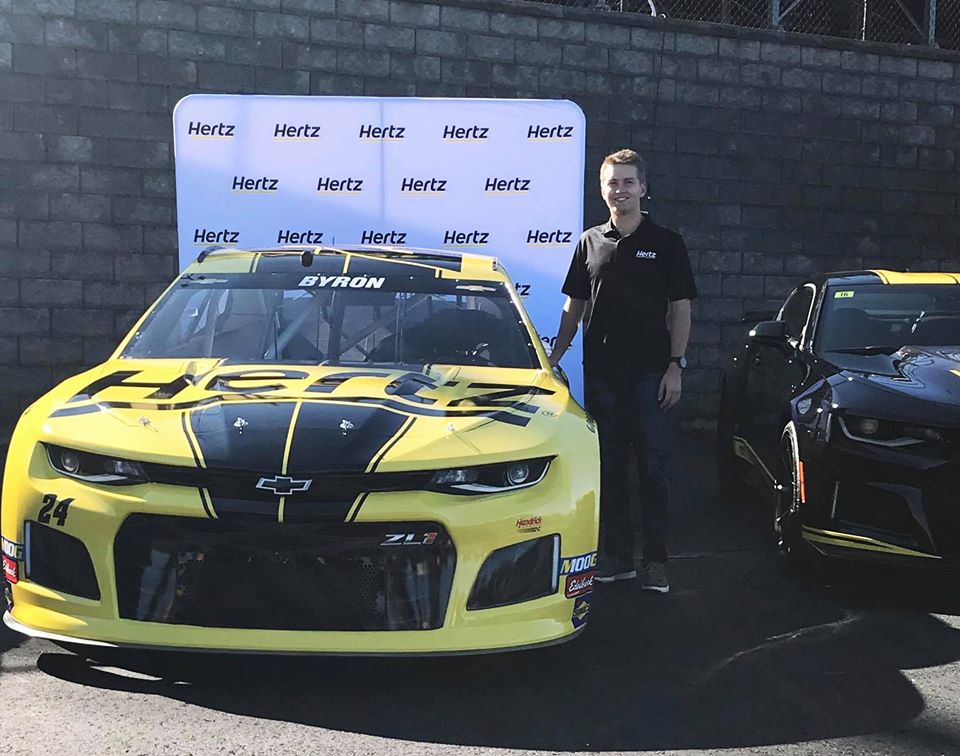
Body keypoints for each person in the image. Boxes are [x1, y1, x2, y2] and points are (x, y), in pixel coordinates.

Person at [549, 149, 696, 593]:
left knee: (653, 471)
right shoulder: (589, 242)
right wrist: (553, 358)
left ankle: (655, 561)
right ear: (602, 190)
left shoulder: (667, 243)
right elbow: (574, 305)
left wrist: (675, 366)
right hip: (603, 376)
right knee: (609, 470)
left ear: (643, 188)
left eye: (628, 182)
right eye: (613, 183)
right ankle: (617, 558)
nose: (621, 190)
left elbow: (681, 309)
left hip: (652, 376)